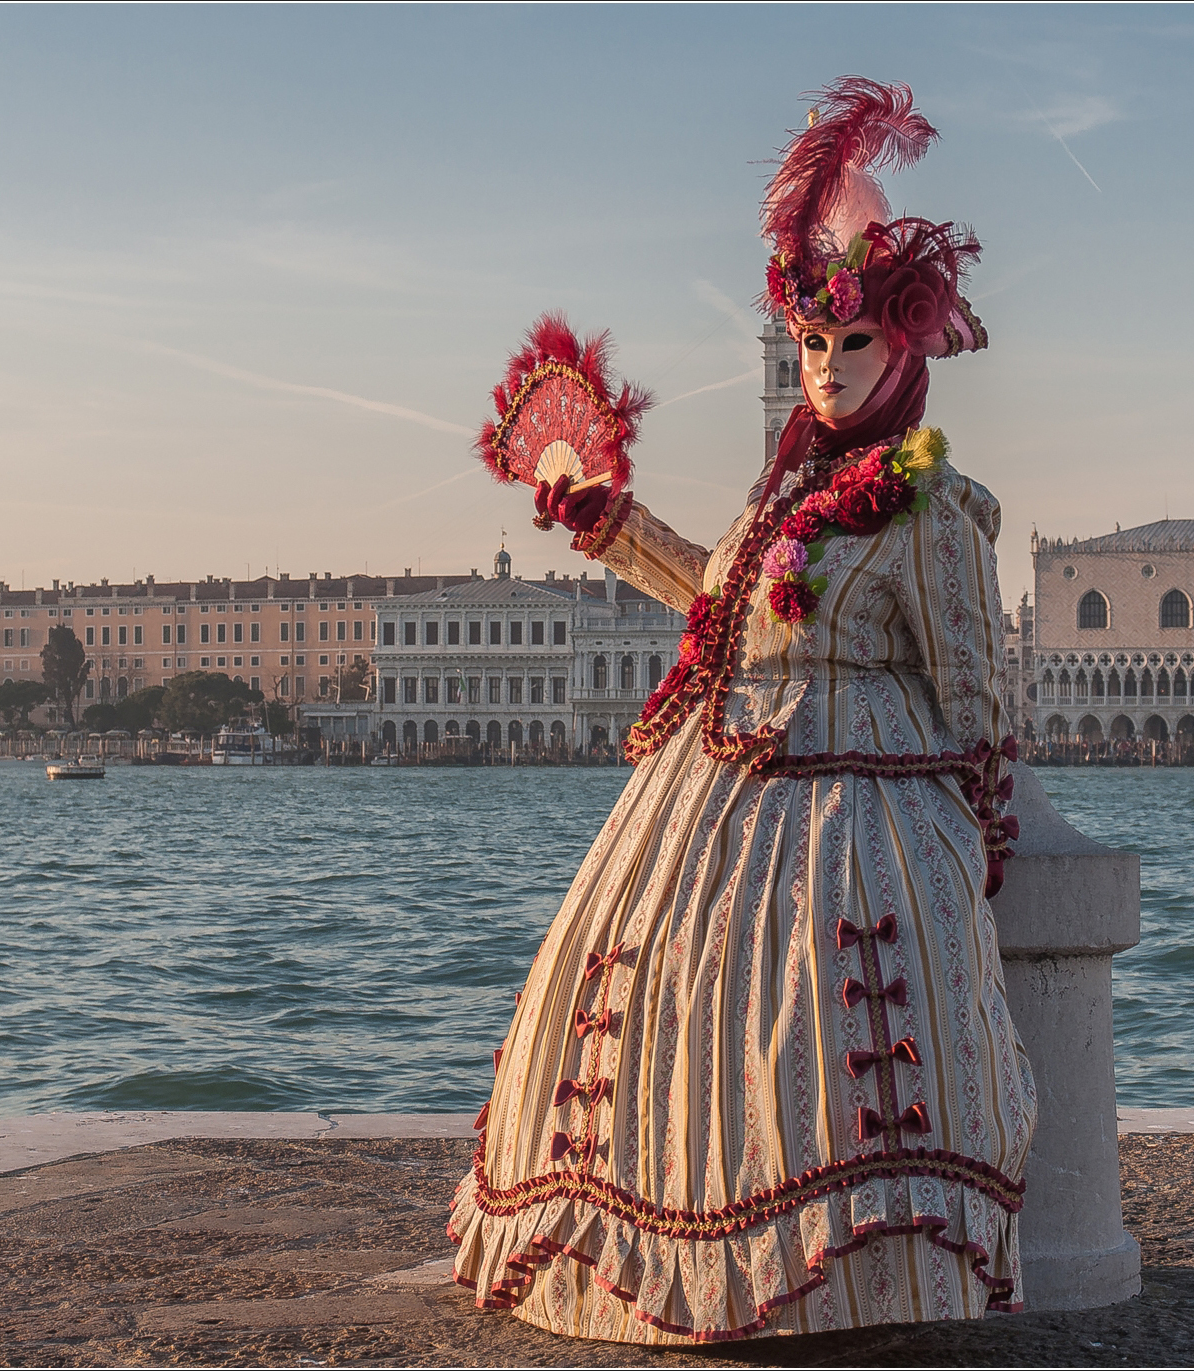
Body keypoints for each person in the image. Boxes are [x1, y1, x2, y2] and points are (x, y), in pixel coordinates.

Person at [447, 78, 1035, 1344]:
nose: (826, 373)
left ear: (906, 352)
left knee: (833, 1033)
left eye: (854, 349)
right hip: (718, 779)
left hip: (861, 792)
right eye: (813, 349)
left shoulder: (933, 509)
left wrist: (977, 826)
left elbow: (974, 686)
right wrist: (603, 521)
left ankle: (868, 1273)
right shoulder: (782, 502)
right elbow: (719, 601)